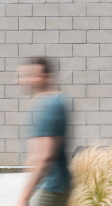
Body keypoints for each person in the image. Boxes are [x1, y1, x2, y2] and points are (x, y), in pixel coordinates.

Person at [15, 56, 70, 206]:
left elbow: (45, 156)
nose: (19, 81)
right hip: (47, 186)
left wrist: (24, 197)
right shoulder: (42, 103)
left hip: (51, 189)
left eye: (28, 76)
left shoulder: (51, 105)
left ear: (42, 77)